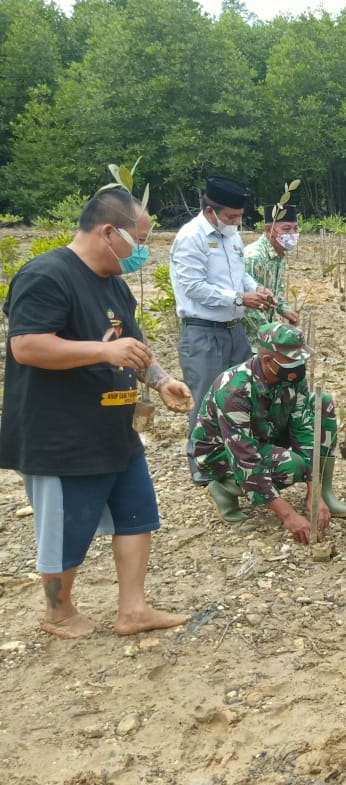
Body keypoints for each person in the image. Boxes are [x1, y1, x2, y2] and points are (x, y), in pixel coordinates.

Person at [0, 188, 192, 638]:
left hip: (114, 430)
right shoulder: (47, 275)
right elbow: (26, 346)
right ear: (110, 233)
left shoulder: (114, 285)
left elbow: (133, 348)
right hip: (61, 435)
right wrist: (103, 353)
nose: (143, 250)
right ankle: (59, 612)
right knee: (68, 528)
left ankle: (134, 610)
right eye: (140, 240)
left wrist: (162, 381)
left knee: (137, 515)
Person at [191, 323, 346, 542]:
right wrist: (289, 515)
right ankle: (222, 488)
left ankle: (324, 493)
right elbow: (244, 457)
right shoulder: (234, 389)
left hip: (264, 434)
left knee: (321, 405)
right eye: (294, 360)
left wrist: (314, 489)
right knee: (292, 466)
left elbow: (303, 428)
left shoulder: (291, 377)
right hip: (222, 454)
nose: (300, 365)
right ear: (267, 360)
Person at [171, 175, 276, 484]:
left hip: (234, 329)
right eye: (231, 217)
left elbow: (239, 276)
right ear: (210, 211)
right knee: (205, 398)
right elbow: (194, 288)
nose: (236, 222)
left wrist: (257, 289)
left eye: (239, 217)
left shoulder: (230, 236)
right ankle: (202, 465)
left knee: (242, 392)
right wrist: (239, 298)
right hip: (202, 332)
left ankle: (238, 456)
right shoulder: (190, 238)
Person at [242, 203, 301, 344]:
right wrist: (273, 334)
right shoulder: (253, 257)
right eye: (286, 229)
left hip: (263, 336)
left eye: (295, 229)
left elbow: (274, 293)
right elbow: (247, 306)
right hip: (247, 339)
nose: (292, 234)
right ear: (268, 229)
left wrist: (285, 310)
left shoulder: (278, 255)